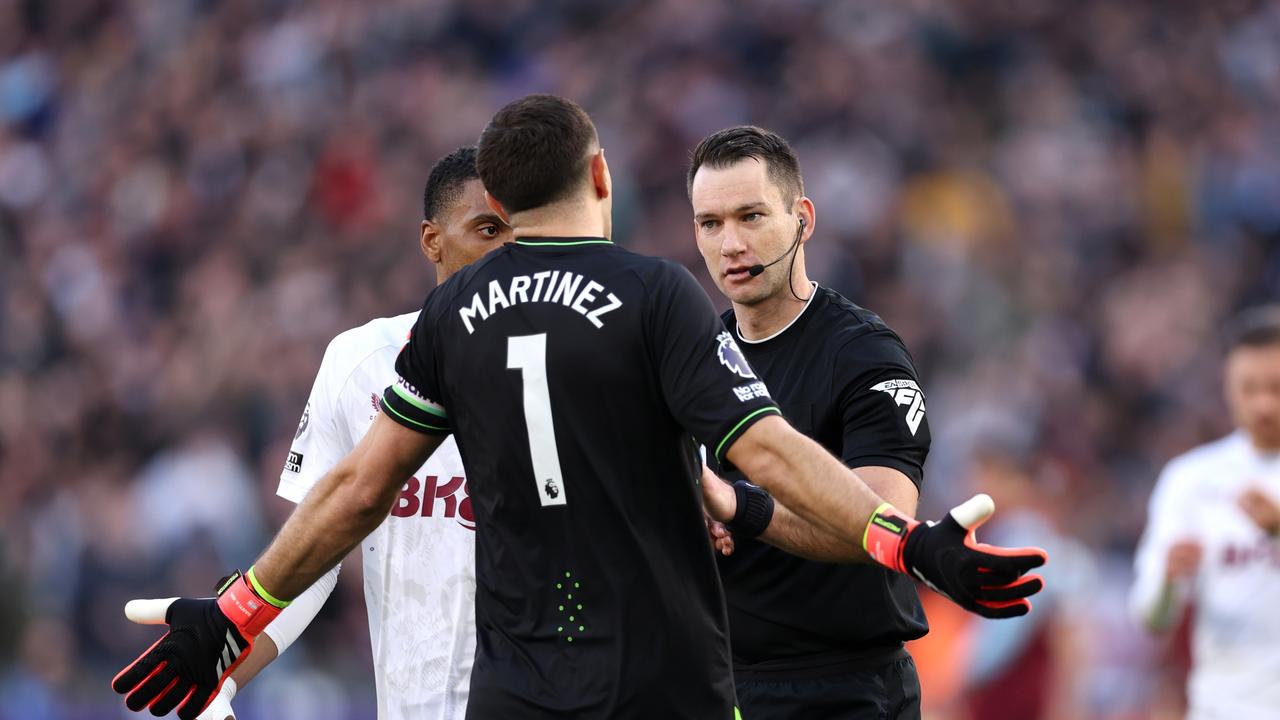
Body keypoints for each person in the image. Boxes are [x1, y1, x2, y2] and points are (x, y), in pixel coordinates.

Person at [111, 94, 1046, 720]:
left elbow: (356, 491)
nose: (725, 242)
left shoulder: (447, 319)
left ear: (507, 206)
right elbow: (763, 449)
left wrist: (236, 610)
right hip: (657, 680)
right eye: (710, 220)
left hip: (519, 684)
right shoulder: (655, 298)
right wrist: (905, 540)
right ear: (603, 179)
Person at [688, 125, 1032, 719]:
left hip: (844, 690)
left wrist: (737, 506)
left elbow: (880, 519)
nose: (730, 244)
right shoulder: (695, 358)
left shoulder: (863, 353)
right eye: (710, 223)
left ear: (803, 219)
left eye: (751, 216)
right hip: (723, 687)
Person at [182, 147, 511, 720]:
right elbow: (315, 560)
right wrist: (224, 659)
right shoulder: (361, 363)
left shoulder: (580, 365)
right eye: (486, 229)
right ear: (432, 241)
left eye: (520, 233)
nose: (507, 250)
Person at [1130, 305, 1280, 720]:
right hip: (1222, 707)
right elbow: (1152, 617)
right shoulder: (1192, 479)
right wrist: (1168, 580)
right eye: (1248, 389)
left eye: (1276, 387)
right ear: (1226, 386)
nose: (1263, 405)